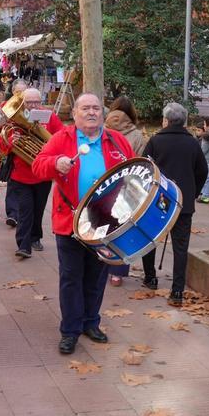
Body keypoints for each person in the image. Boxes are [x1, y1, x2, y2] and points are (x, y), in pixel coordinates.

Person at [33, 93, 134, 355]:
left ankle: (91, 322)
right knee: (70, 278)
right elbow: (38, 166)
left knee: (96, 277)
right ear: (75, 114)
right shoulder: (62, 139)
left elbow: (135, 173)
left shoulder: (116, 140)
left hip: (105, 223)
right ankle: (69, 331)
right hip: (70, 220)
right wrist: (56, 163)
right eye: (85, 108)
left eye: (96, 108)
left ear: (102, 113)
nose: (91, 113)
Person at [140, 103, 208, 306]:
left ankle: (150, 277)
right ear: (184, 121)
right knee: (180, 247)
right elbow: (202, 171)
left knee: (150, 239)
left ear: (165, 120)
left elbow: (145, 168)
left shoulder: (155, 141)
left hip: (157, 200)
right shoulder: (193, 144)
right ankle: (177, 291)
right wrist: (192, 193)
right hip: (183, 202)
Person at [0, 88, 64, 259]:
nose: (33, 105)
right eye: (29, 102)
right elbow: (3, 146)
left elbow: (61, 137)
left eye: (37, 102)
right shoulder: (13, 122)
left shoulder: (49, 116)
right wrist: (10, 143)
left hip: (43, 174)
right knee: (25, 210)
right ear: (22, 103)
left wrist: (49, 147)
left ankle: (35, 237)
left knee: (39, 208)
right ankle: (24, 244)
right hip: (20, 175)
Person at [103, 96, 147, 286]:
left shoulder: (101, 131)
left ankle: (100, 266)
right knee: (122, 229)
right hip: (127, 188)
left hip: (103, 186)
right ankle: (117, 273)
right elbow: (141, 164)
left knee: (101, 227)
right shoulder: (137, 136)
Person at [1, 79, 30, 227]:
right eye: (18, 92)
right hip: (13, 149)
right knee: (12, 183)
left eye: (23, 91)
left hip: (28, 148)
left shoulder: (32, 107)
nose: (21, 95)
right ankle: (12, 213)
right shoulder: (7, 107)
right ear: (13, 92)